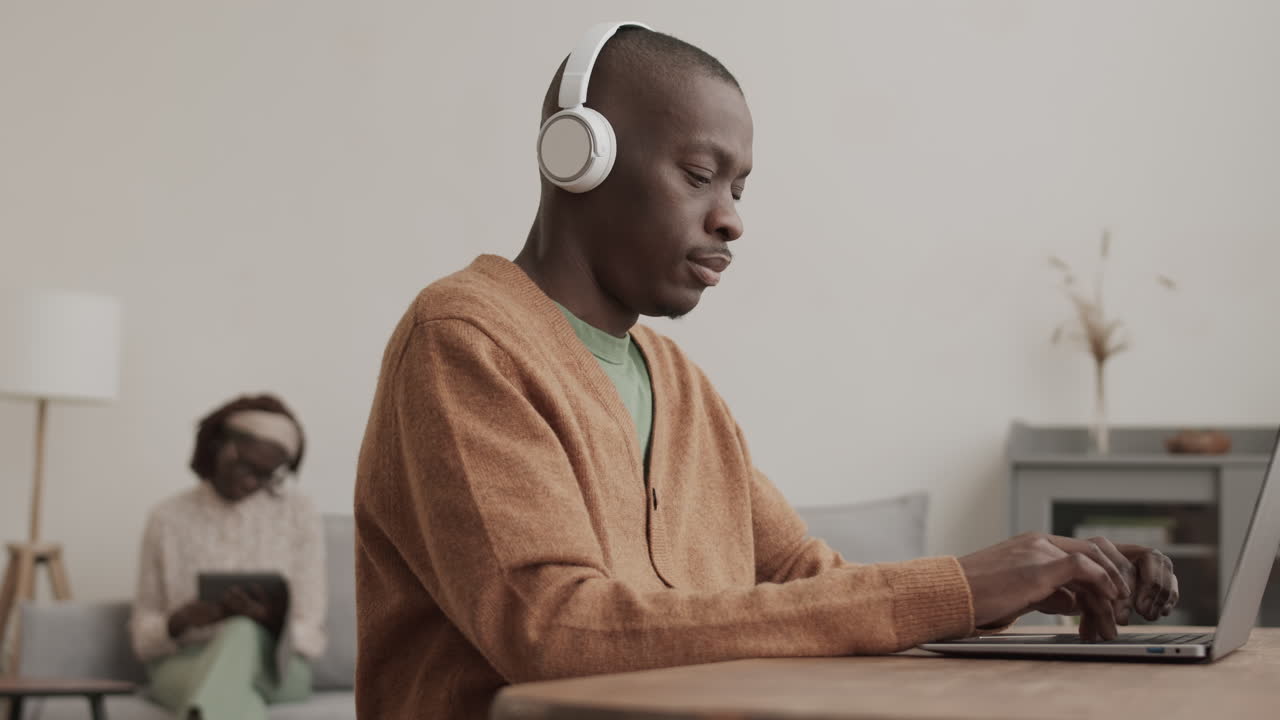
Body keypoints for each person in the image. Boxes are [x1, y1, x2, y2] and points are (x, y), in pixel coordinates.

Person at [353, 24, 1179, 719]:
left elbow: (809, 584)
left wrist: (1018, 586)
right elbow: (555, 632)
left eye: (741, 189)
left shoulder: (677, 383)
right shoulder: (465, 339)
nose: (732, 220)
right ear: (579, 159)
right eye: (699, 175)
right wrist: (958, 587)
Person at [130, 394, 326, 720]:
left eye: (267, 474)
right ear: (218, 446)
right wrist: (181, 620)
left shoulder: (299, 515)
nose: (251, 481)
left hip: (276, 667)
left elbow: (311, 630)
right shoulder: (167, 518)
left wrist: (269, 622)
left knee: (242, 632)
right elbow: (143, 637)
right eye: (246, 465)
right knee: (224, 691)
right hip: (187, 661)